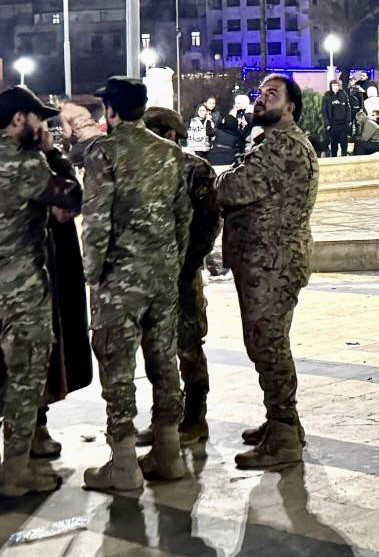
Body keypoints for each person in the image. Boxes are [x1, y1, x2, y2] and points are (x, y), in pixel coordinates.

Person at [0, 87, 84, 498]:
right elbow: (71, 196)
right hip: (23, 290)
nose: (44, 127)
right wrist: (53, 154)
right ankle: (16, 473)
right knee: (25, 379)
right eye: (39, 119)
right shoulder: (26, 164)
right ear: (19, 120)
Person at [78, 78, 192, 493]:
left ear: (110, 110)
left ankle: (124, 463)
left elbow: (96, 220)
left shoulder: (104, 152)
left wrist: (92, 273)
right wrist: (172, 263)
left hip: (120, 278)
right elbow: (182, 216)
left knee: (118, 366)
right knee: (164, 361)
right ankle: (169, 453)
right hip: (162, 274)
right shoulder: (170, 152)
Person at [216, 74, 319, 471]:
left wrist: (214, 179)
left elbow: (231, 189)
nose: (261, 99)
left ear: (290, 107)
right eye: (260, 93)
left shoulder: (281, 146)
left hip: (271, 261)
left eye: (272, 95)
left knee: (268, 345)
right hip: (270, 259)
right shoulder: (275, 143)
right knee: (270, 342)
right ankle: (283, 422)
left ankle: (284, 436)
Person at [142, 106, 220, 451]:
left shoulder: (194, 169)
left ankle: (195, 416)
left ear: (171, 135)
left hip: (183, 273)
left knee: (188, 344)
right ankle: (164, 417)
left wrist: (188, 262)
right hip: (149, 274)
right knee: (154, 348)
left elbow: (209, 222)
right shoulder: (143, 167)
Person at [321, 79, 356, 159]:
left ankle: (344, 158)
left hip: (343, 123)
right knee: (334, 144)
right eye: (334, 85)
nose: (336, 87)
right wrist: (327, 124)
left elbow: (348, 108)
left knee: (344, 143)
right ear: (331, 86)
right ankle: (334, 159)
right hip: (333, 124)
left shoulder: (343, 94)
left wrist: (349, 121)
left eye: (337, 85)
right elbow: (324, 111)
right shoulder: (327, 96)